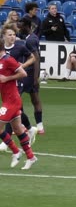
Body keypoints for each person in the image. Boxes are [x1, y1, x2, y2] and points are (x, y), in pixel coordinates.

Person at [0, 28, 37, 169]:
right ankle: (31, 157)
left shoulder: (8, 60)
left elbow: (23, 73)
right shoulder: (1, 61)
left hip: (13, 101)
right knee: (19, 130)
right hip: (7, 99)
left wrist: (7, 78)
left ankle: (15, 151)